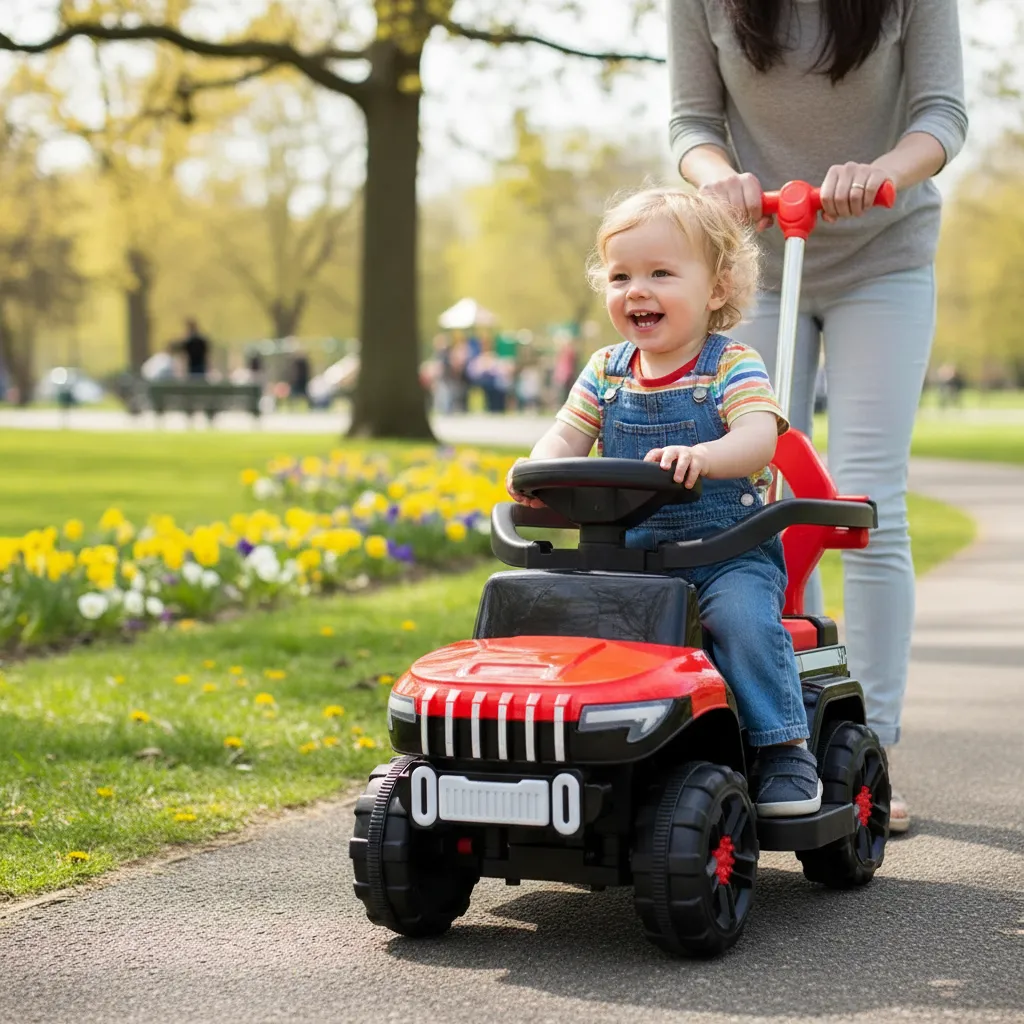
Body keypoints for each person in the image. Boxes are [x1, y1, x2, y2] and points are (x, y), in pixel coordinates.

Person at [668, 0, 969, 832]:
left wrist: (882, 172)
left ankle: (870, 746)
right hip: (758, 253)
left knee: (866, 500)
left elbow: (942, 113)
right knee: (751, 495)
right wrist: (715, 176)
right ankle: (774, 734)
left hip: (884, 252)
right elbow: (693, 121)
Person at [507, 187, 822, 818]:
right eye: (621, 275)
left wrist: (708, 455)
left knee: (740, 622)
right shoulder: (606, 369)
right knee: (555, 620)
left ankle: (784, 747)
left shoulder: (731, 363)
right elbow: (568, 433)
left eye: (660, 273)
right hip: (625, 559)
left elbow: (760, 438)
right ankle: (562, 747)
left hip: (725, 556)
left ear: (716, 290)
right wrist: (537, 469)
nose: (637, 290)